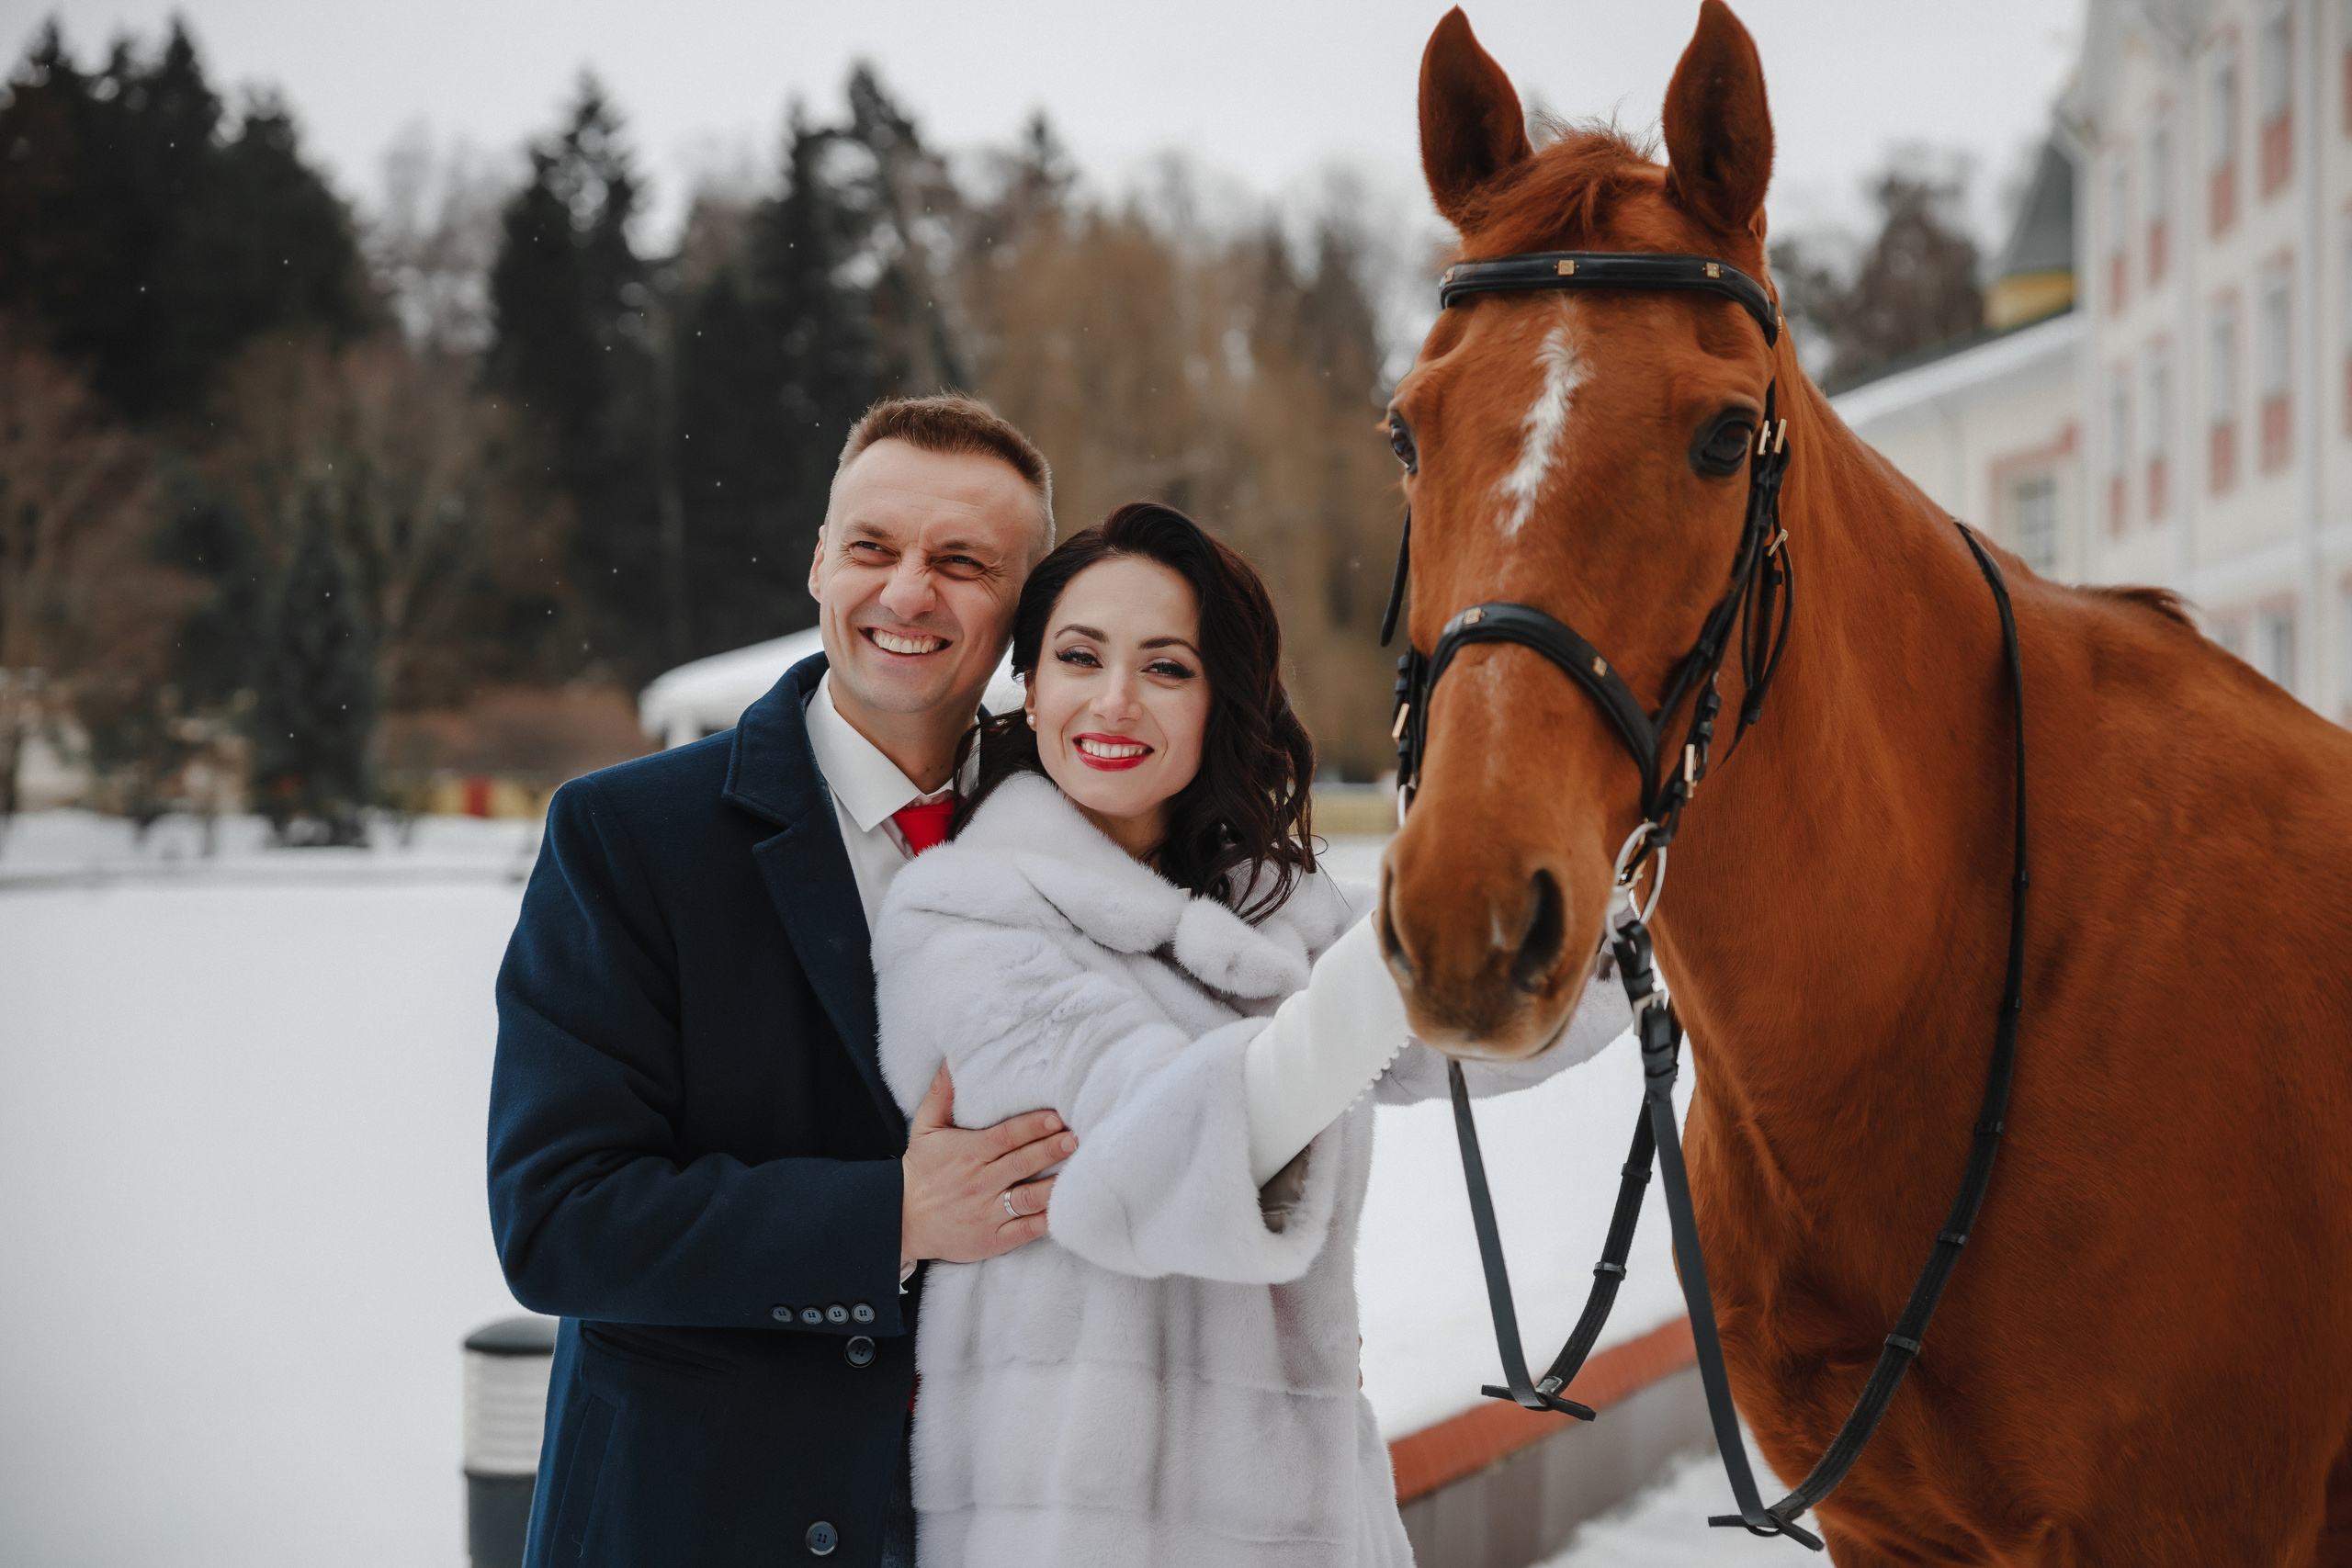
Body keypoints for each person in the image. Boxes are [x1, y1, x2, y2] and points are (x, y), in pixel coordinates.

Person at [871, 502, 1630, 1566]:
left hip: (1304, 1509)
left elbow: (1461, 1025)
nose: (1115, 700)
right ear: (1029, 684)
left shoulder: (1268, 905)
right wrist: (1428, 905)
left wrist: (1633, 912)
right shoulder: (962, 917)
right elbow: (1168, 1138)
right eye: (1079, 656)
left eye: (1167, 667)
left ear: (1221, 695)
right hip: (1078, 1520)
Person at [488, 394, 1077, 1568]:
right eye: (872, 547)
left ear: (1028, 608)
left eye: (962, 562)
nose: (907, 592)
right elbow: (560, 1220)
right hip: (691, 1524)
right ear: (819, 561)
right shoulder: (624, 838)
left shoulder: (1084, 841)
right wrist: (892, 1217)